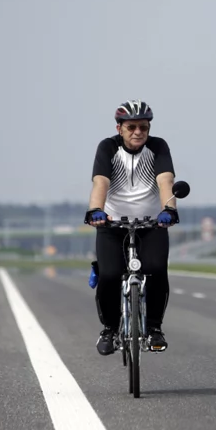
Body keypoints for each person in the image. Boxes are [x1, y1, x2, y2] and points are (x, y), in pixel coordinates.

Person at [84, 100, 180, 356]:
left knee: (157, 270)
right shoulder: (108, 148)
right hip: (112, 223)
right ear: (120, 128)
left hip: (152, 224)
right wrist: (96, 210)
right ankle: (109, 329)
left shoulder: (158, 147)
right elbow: (100, 182)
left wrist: (169, 209)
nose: (138, 132)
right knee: (109, 275)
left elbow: (165, 180)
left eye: (144, 127)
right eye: (132, 127)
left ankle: (154, 328)